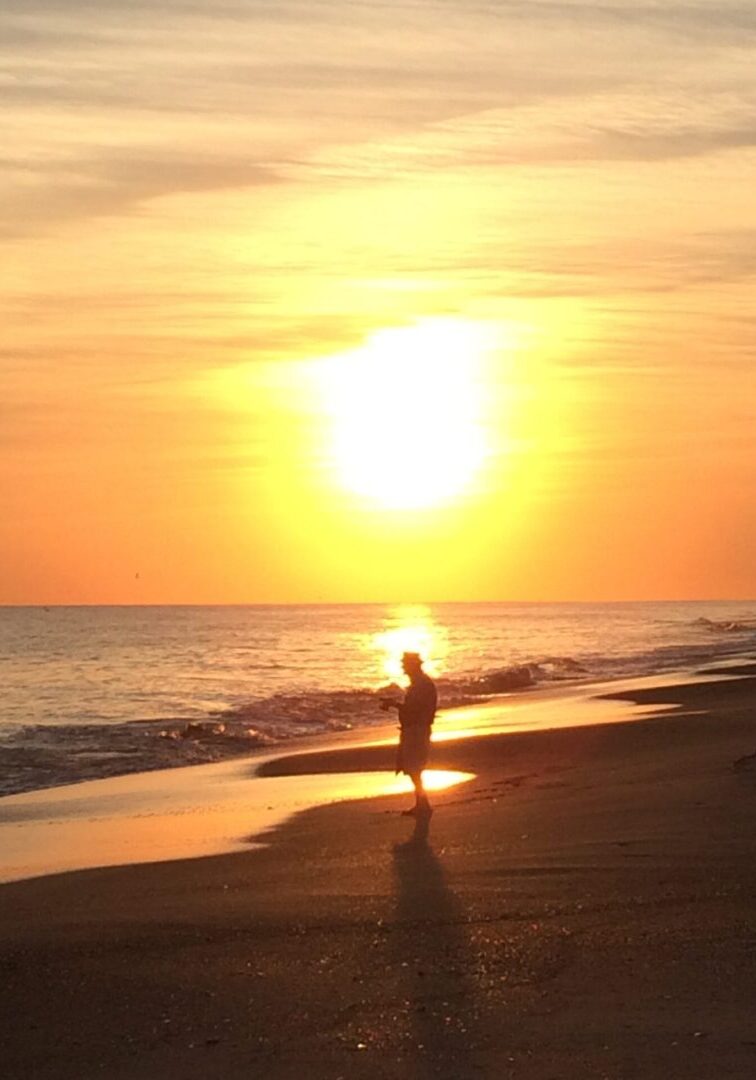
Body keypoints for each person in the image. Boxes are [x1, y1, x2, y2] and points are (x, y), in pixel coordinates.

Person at [381, 651, 437, 817]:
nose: (403, 668)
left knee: (414, 768)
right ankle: (421, 803)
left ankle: (423, 804)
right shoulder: (422, 683)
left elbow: (414, 709)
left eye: (405, 665)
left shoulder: (421, 685)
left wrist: (394, 704)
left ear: (413, 666)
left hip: (417, 730)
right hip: (416, 728)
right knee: (414, 768)